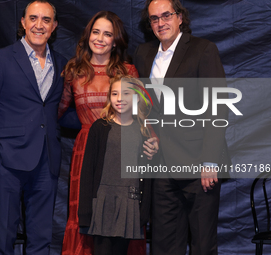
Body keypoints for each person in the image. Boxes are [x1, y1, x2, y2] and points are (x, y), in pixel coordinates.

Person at [133, 0, 231, 254]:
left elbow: (216, 107)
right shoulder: (144, 54)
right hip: (163, 165)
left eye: (166, 15)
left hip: (200, 165)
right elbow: (144, 106)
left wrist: (210, 161)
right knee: (164, 244)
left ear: (180, 18)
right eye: (154, 18)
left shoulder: (203, 49)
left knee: (202, 244)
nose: (160, 22)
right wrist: (148, 136)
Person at [0, 1, 67, 254]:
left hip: (46, 161)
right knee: (3, 240)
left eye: (46, 20)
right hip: (8, 162)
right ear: (23, 23)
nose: (39, 24)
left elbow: (57, 112)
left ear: (54, 26)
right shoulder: (0, 59)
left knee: (42, 240)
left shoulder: (62, 64)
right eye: (33, 18)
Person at [59, 11, 157, 255]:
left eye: (107, 34)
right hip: (86, 153)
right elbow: (56, 112)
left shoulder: (128, 71)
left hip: (123, 151)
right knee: (86, 217)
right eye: (96, 32)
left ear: (115, 41)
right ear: (88, 36)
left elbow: (145, 114)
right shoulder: (72, 70)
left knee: (124, 218)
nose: (100, 38)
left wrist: (152, 142)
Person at [78, 75, 156, 255]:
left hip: (129, 201)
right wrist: (85, 211)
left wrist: (143, 210)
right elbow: (88, 171)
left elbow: (146, 173)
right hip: (103, 201)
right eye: (114, 93)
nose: (119, 98)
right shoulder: (100, 127)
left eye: (126, 93)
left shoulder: (142, 130)